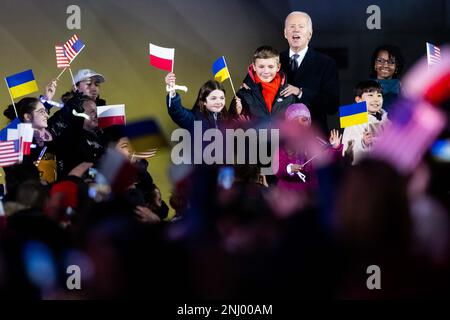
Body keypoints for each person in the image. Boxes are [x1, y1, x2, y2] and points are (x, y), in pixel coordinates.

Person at [280, 11, 340, 133]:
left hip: (314, 138)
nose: (296, 30)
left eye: (301, 26)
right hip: (282, 138)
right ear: (285, 33)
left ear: (310, 34)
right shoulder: (272, 62)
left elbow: (332, 105)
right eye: (292, 26)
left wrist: (300, 92)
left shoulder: (326, 63)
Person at [274, 103, 342, 191]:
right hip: (289, 196)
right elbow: (277, 167)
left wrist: (336, 148)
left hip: (312, 196)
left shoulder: (317, 142)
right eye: (295, 120)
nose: (300, 123)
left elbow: (330, 163)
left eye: (304, 119)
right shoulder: (283, 143)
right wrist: (289, 168)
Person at [236, 45, 296, 126]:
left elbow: (296, 127)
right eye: (261, 67)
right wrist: (238, 115)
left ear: (278, 67)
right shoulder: (243, 94)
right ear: (254, 67)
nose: (266, 71)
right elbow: (230, 124)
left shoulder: (289, 95)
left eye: (270, 67)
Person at [341, 80, 389, 165]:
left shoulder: (387, 118)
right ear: (358, 100)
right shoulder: (353, 120)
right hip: (366, 170)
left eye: (379, 95)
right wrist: (363, 143)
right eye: (370, 95)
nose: (376, 99)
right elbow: (347, 150)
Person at [369, 45, 404, 112]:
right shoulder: (364, 87)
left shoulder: (405, 89)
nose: (385, 65)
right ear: (375, 64)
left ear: (396, 67)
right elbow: (349, 120)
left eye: (391, 62)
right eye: (380, 61)